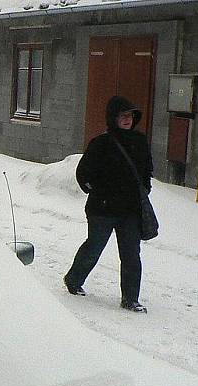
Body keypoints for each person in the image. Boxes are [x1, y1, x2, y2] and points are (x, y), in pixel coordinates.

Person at [64, 95, 154, 313]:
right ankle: (74, 280)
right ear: (112, 118)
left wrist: (144, 188)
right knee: (94, 247)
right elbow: (83, 173)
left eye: (130, 116)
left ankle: (130, 298)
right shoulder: (101, 143)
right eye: (122, 116)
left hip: (130, 211)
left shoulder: (140, 142)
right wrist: (97, 191)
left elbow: (146, 171)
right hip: (102, 209)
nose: (127, 120)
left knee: (131, 254)